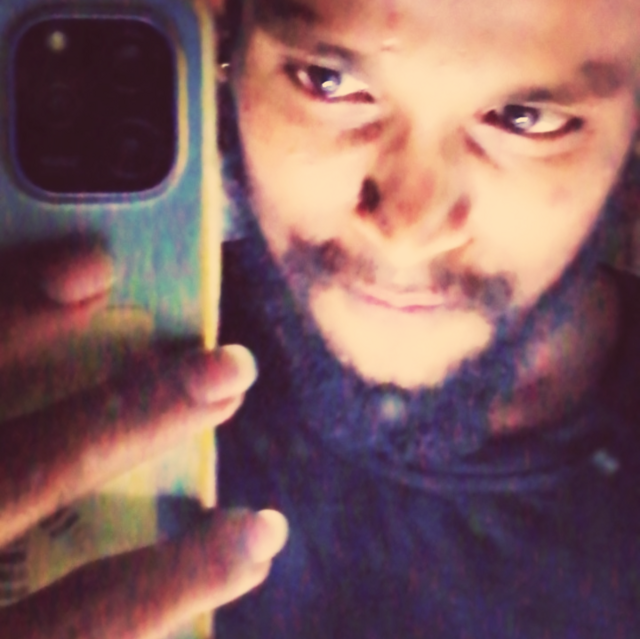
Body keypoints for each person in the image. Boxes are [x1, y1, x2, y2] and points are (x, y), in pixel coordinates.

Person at [3, 0, 640, 636]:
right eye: (328, 82)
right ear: (228, 50)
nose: (405, 233)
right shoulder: (54, 377)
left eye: (525, 119)